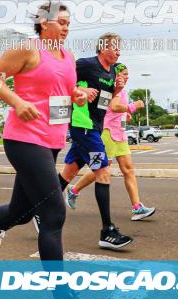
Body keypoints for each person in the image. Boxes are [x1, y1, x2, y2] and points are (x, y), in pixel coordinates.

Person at [0, 0, 103, 299]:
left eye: (68, 21)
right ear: (43, 23)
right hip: (23, 139)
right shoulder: (28, 49)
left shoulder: (69, 56)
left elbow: (63, 91)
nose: (66, 26)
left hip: (50, 142)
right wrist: (17, 101)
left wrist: (79, 94)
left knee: (19, 212)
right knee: (53, 212)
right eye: (61, 21)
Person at [57, 32, 133, 250]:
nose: (119, 51)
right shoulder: (86, 64)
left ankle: (38, 210)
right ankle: (107, 231)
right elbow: (61, 78)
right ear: (102, 48)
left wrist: (117, 88)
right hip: (83, 126)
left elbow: (107, 104)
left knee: (69, 172)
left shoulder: (111, 73)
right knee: (103, 171)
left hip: (94, 128)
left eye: (120, 48)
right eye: (115, 47)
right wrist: (79, 90)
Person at [66, 63, 156, 220]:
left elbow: (112, 110)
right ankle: (73, 191)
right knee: (100, 169)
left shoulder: (121, 90)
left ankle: (137, 207)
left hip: (119, 135)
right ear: (116, 75)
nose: (127, 77)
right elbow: (113, 107)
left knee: (128, 169)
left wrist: (125, 115)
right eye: (124, 74)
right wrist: (132, 107)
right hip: (106, 134)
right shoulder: (111, 89)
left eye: (128, 74)